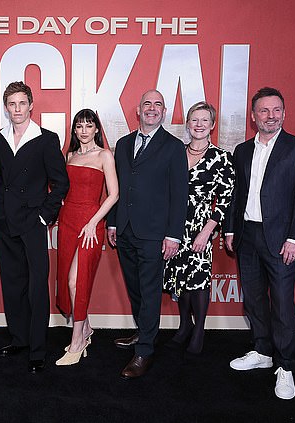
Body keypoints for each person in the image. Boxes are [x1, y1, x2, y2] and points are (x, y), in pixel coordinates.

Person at [225, 87, 295, 400]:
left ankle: (286, 366)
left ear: (284, 112)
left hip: (281, 240)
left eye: (276, 110)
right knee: (253, 300)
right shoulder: (242, 151)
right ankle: (263, 351)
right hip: (247, 236)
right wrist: (230, 230)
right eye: (264, 111)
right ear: (253, 117)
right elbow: (236, 196)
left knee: (281, 303)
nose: (271, 116)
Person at [106, 89, 188, 379]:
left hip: (155, 233)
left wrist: (173, 235)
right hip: (126, 229)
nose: (152, 109)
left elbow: (180, 196)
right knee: (135, 288)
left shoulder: (175, 147)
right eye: (147, 104)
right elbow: (116, 189)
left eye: (158, 105)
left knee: (151, 290)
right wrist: (113, 222)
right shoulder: (124, 143)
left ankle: (144, 352)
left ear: (164, 112)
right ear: (138, 111)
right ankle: (143, 332)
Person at [0, 81, 69, 373]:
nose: (17, 109)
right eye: (12, 104)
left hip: (33, 223)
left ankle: (37, 349)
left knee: (37, 287)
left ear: (31, 105)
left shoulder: (47, 139)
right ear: (6, 107)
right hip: (5, 221)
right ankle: (19, 339)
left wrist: (44, 216)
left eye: (22, 103)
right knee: (13, 284)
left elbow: (61, 183)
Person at [163, 101, 235, 355]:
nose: (199, 125)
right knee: (180, 276)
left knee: (199, 279)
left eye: (205, 120)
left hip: (201, 225)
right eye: (195, 120)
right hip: (173, 224)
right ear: (188, 124)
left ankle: (199, 330)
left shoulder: (222, 158)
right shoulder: (175, 152)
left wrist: (207, 231)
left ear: (212, 125)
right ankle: (184, 326)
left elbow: (225, 198)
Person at [55, 109, 118, 366]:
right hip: (68, 221)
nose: (83, 130)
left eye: (88, 126)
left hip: (90, 224)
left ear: (96, 129)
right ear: (74, 130)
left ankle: (77, 341)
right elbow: (62, 187)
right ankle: (86, 328)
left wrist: (94, 222)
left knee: (76, 281)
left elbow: (114, 194)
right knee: (66, 279)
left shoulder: (104, 155)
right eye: (79, 126)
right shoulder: (68, 155)